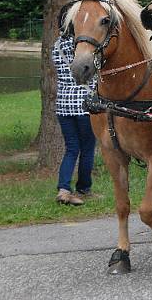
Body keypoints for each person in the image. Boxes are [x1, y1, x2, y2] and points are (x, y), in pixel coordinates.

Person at [52, 23, 97, 206]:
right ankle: (84, 188)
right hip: (84, 104)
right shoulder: (83, 45)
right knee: (87, 148)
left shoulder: (56, 46)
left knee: (71, 148)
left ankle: (63, 189)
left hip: (63, 105)